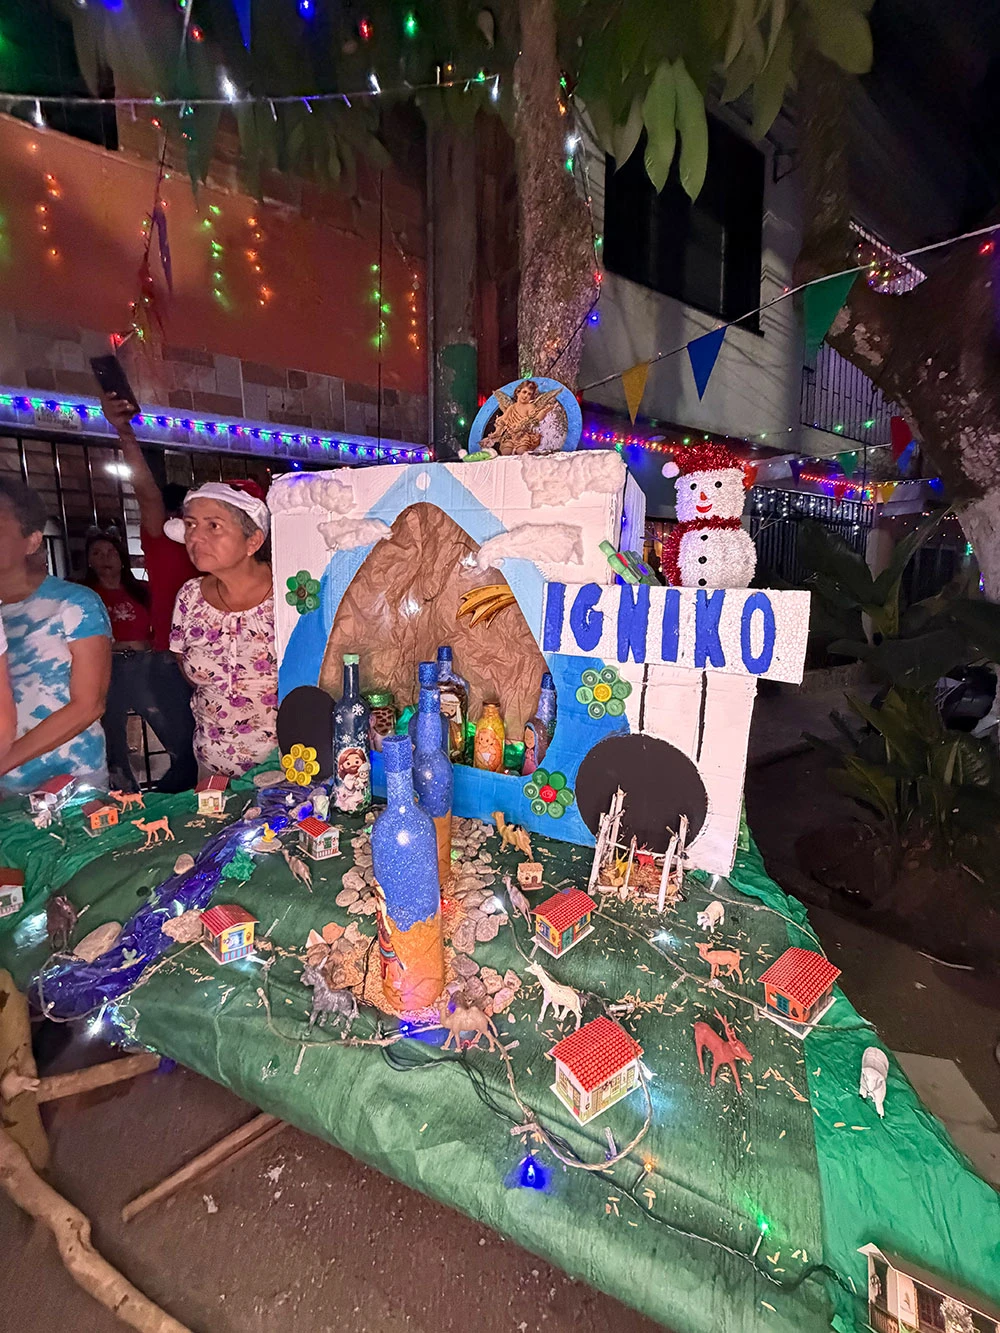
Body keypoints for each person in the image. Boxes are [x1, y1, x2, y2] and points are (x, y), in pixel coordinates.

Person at [101, 392, 199, 791]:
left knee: (210, 756)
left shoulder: (216, 552)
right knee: (187, 756)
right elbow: (146, 493)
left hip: (217, 662)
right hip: (169, 663)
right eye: (190, 517)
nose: (196, 528)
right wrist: (124, 433)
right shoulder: (163, 540)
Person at [0, 479, 111, 792]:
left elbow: (88, 705)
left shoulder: (74, 604)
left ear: (32, 541)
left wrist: (3, 764)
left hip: (69, 780)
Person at [168, 480, 278, 777]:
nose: (195, 537)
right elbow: (184, 664)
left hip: (287, 768)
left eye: (213, 526)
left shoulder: (289, 594)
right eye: (190, 524)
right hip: (210, 763)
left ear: (253, 541)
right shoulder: (190, 596)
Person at [82, 530, 196, 794]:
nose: (105, 559)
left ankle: (172, 791)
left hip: (146, 664)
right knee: (113, 737)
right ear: (88, 560)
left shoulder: (141, 591)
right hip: (109, 666)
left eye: (111, 552)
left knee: (174, 731)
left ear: (121, 558)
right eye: (97, 553)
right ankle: (127, 796)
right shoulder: (86, 595)